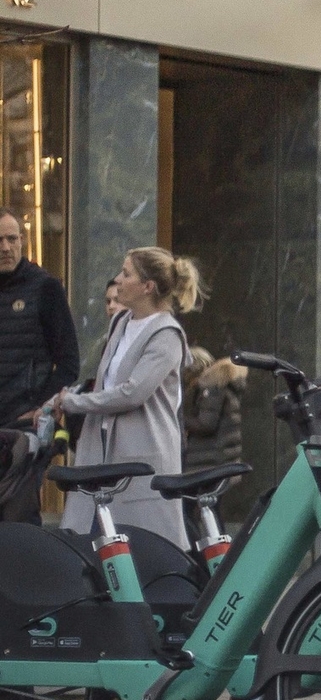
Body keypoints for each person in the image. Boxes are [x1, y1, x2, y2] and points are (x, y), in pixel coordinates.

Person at [56, 247, 202, 547]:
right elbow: (106, 383)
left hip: (144, 454)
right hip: (104, 450)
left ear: (147, 286)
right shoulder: (120, 324)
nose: (118, 280)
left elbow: (132, 393)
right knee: (92, 541)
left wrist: (75, 402)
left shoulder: (167, 335)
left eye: (127, 273)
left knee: (148, 546)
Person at [0, 208, 78, 524]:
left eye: (11, 238)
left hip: (24, 425)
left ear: (23, 241)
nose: (5, 247)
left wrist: (41, 408)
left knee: (17, 518)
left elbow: (69, 361)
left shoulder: (45, 288)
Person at [181, 343, 246, 474]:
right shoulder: (218, 386)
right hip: (219, 459)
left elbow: (206, 424)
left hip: (210, 461)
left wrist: (179, 421)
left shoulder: (212, 389)